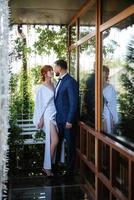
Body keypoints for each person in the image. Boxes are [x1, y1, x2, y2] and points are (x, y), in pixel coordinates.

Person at [54, 59, 79, 175]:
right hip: (59, 120)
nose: (54, 70)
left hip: (67, 121)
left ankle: (70, 172)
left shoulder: (70, 81)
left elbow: (74, 102)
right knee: (58, 143)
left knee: (70, 146)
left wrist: (69, 120)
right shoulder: (59, 81)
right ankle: (56, 167)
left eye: (55, 67)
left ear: (60, 68)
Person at [33, 65, 59, 176]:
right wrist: (41, 119)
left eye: (52, 70)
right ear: (44, 73)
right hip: (48, 115)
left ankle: (49, 166)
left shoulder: (55, 85)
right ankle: (47, 167)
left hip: (56, 114)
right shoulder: (41, 88)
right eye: (49, 70)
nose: (52, 72)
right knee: (55, 141)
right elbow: (40, 105)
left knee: (54, 141)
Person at [102, 65, 118, 134]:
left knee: (105, 135)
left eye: (102, 71)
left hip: (107, 114)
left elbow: (112, 104)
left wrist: (113, 118)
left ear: (106, 74)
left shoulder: (110, 88)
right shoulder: (96, 86)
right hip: (96, 114)